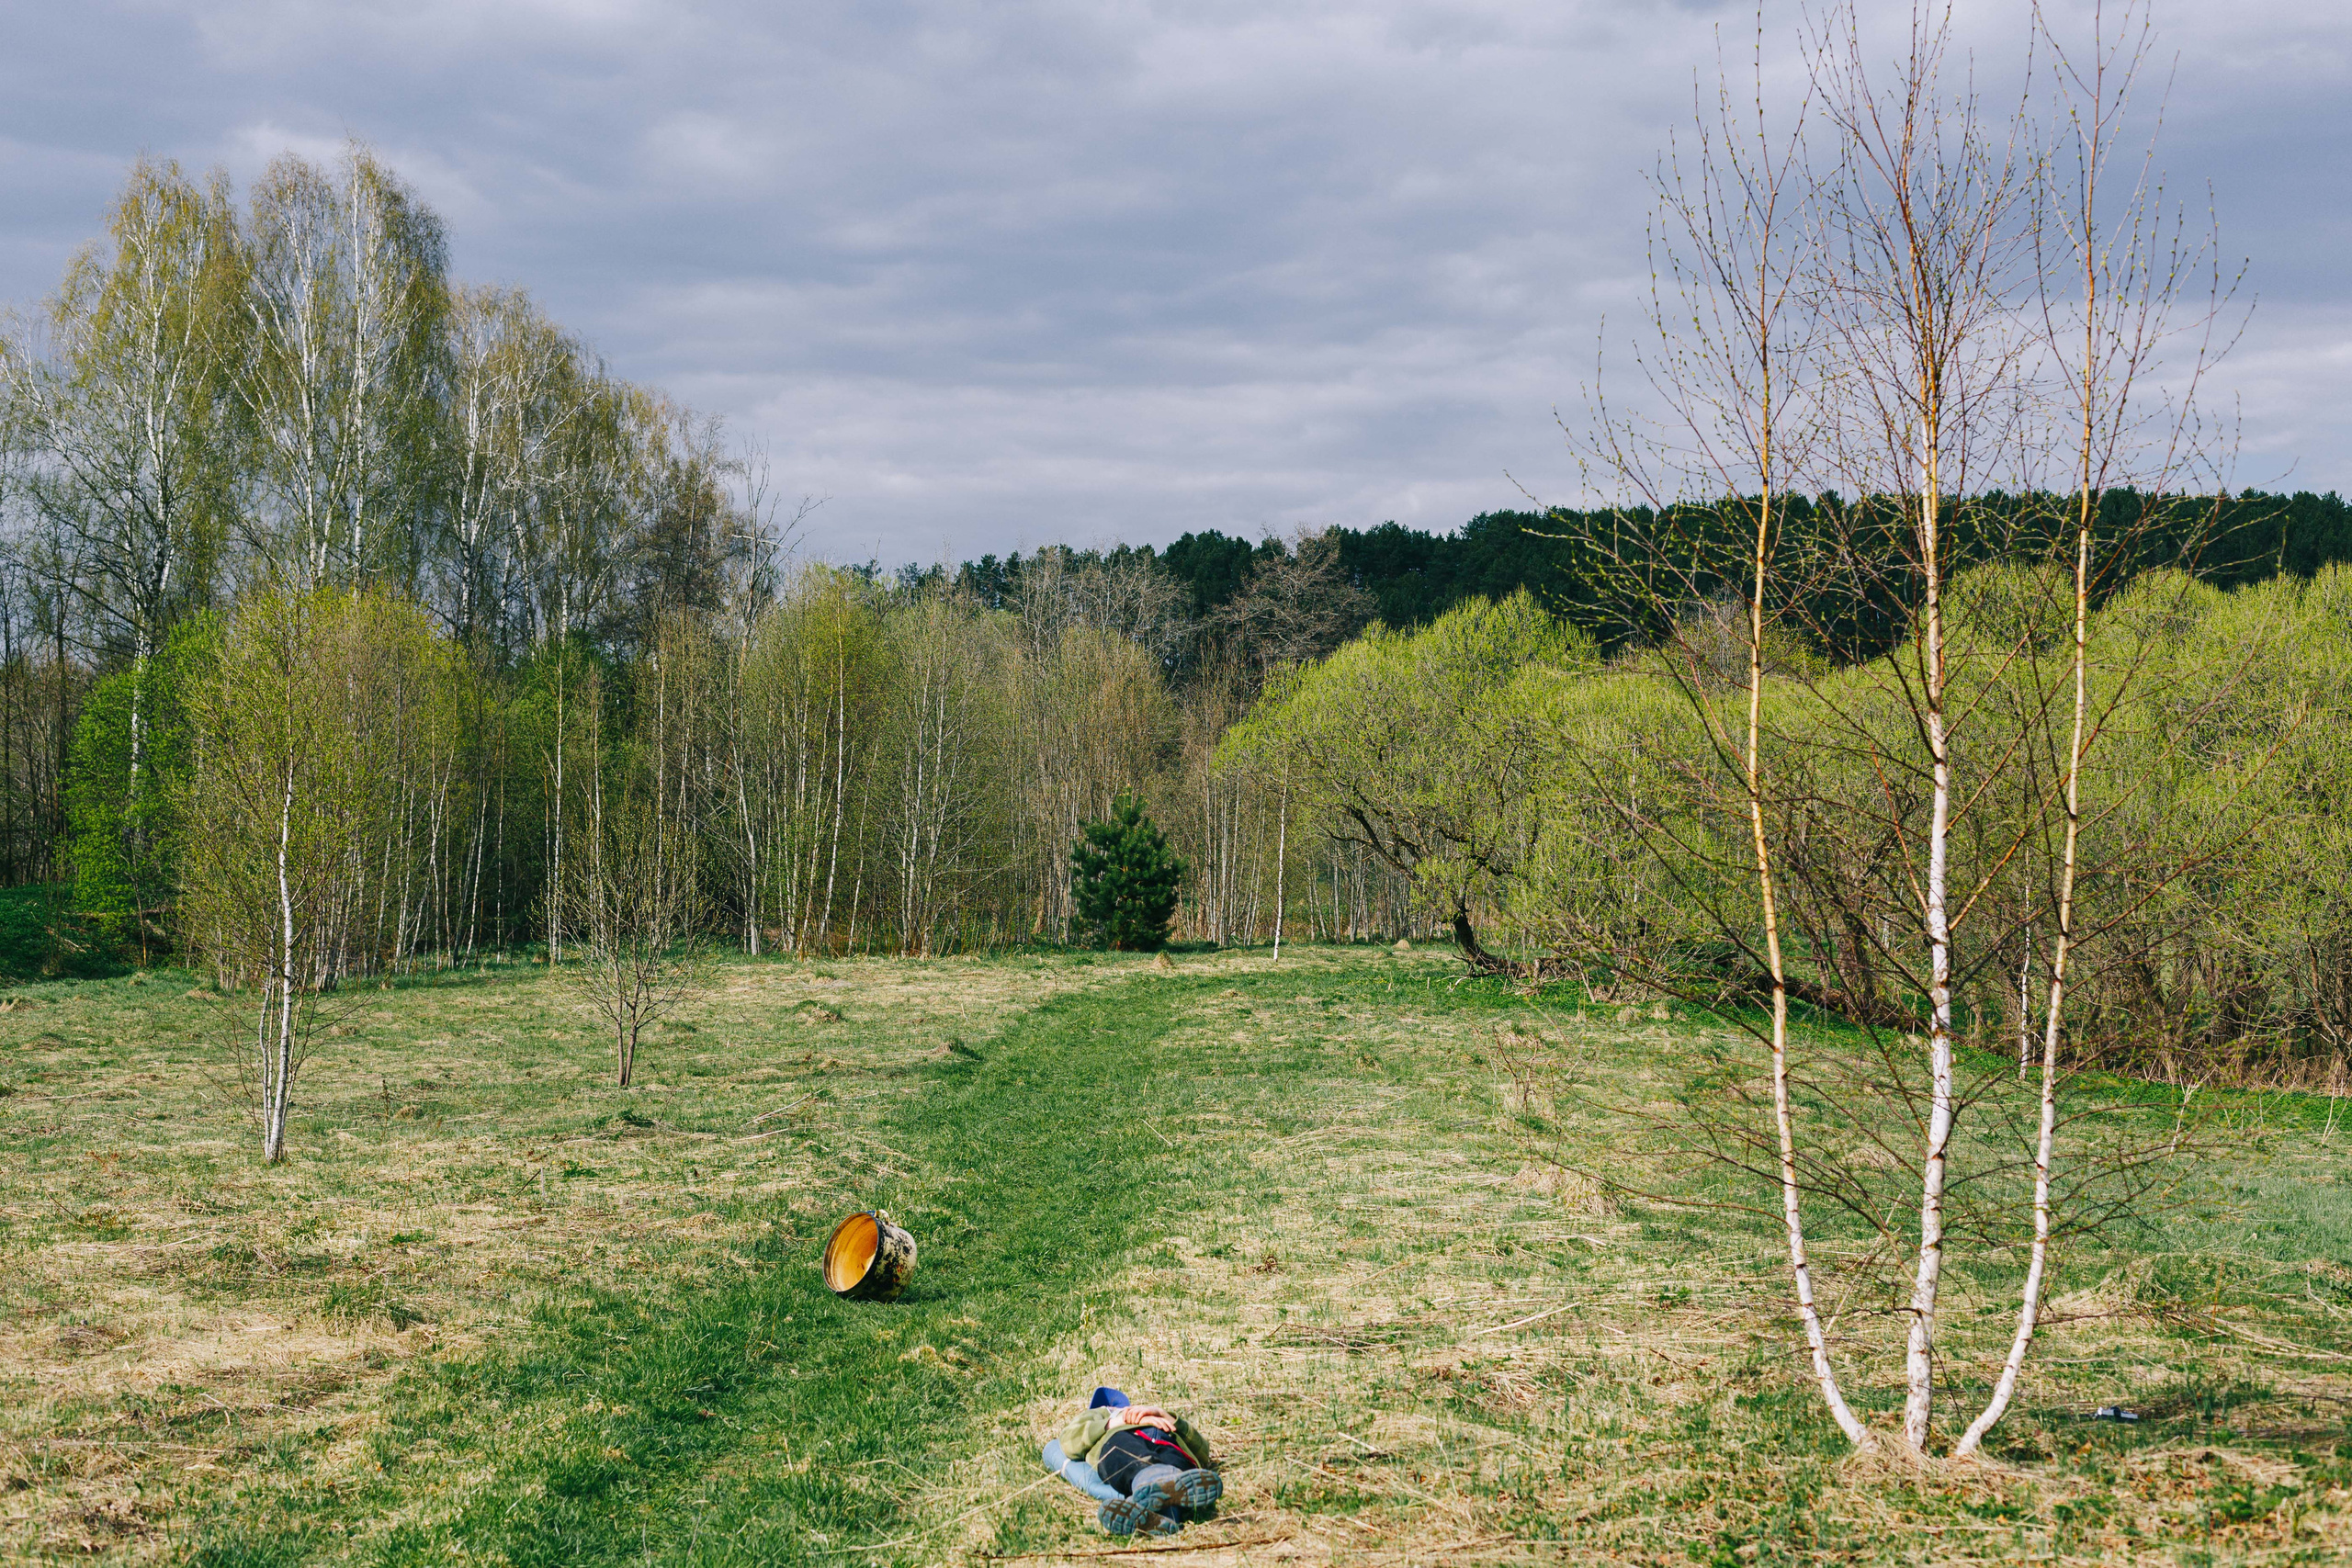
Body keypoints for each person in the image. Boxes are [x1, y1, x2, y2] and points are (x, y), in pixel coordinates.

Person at [1040, 1386, 1223, 1536]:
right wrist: (1112, 1423)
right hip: (1122, 1444)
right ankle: (1166, 1503)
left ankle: (1157, 1515)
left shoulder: (1150, 1415)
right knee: (1125, 1454)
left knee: (1173, 1461)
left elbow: (1202, 1452)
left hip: (1167, 1442)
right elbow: (1068, 1442)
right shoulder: (1104, 1424)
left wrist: (1164, 1416)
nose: (1115, 1408)